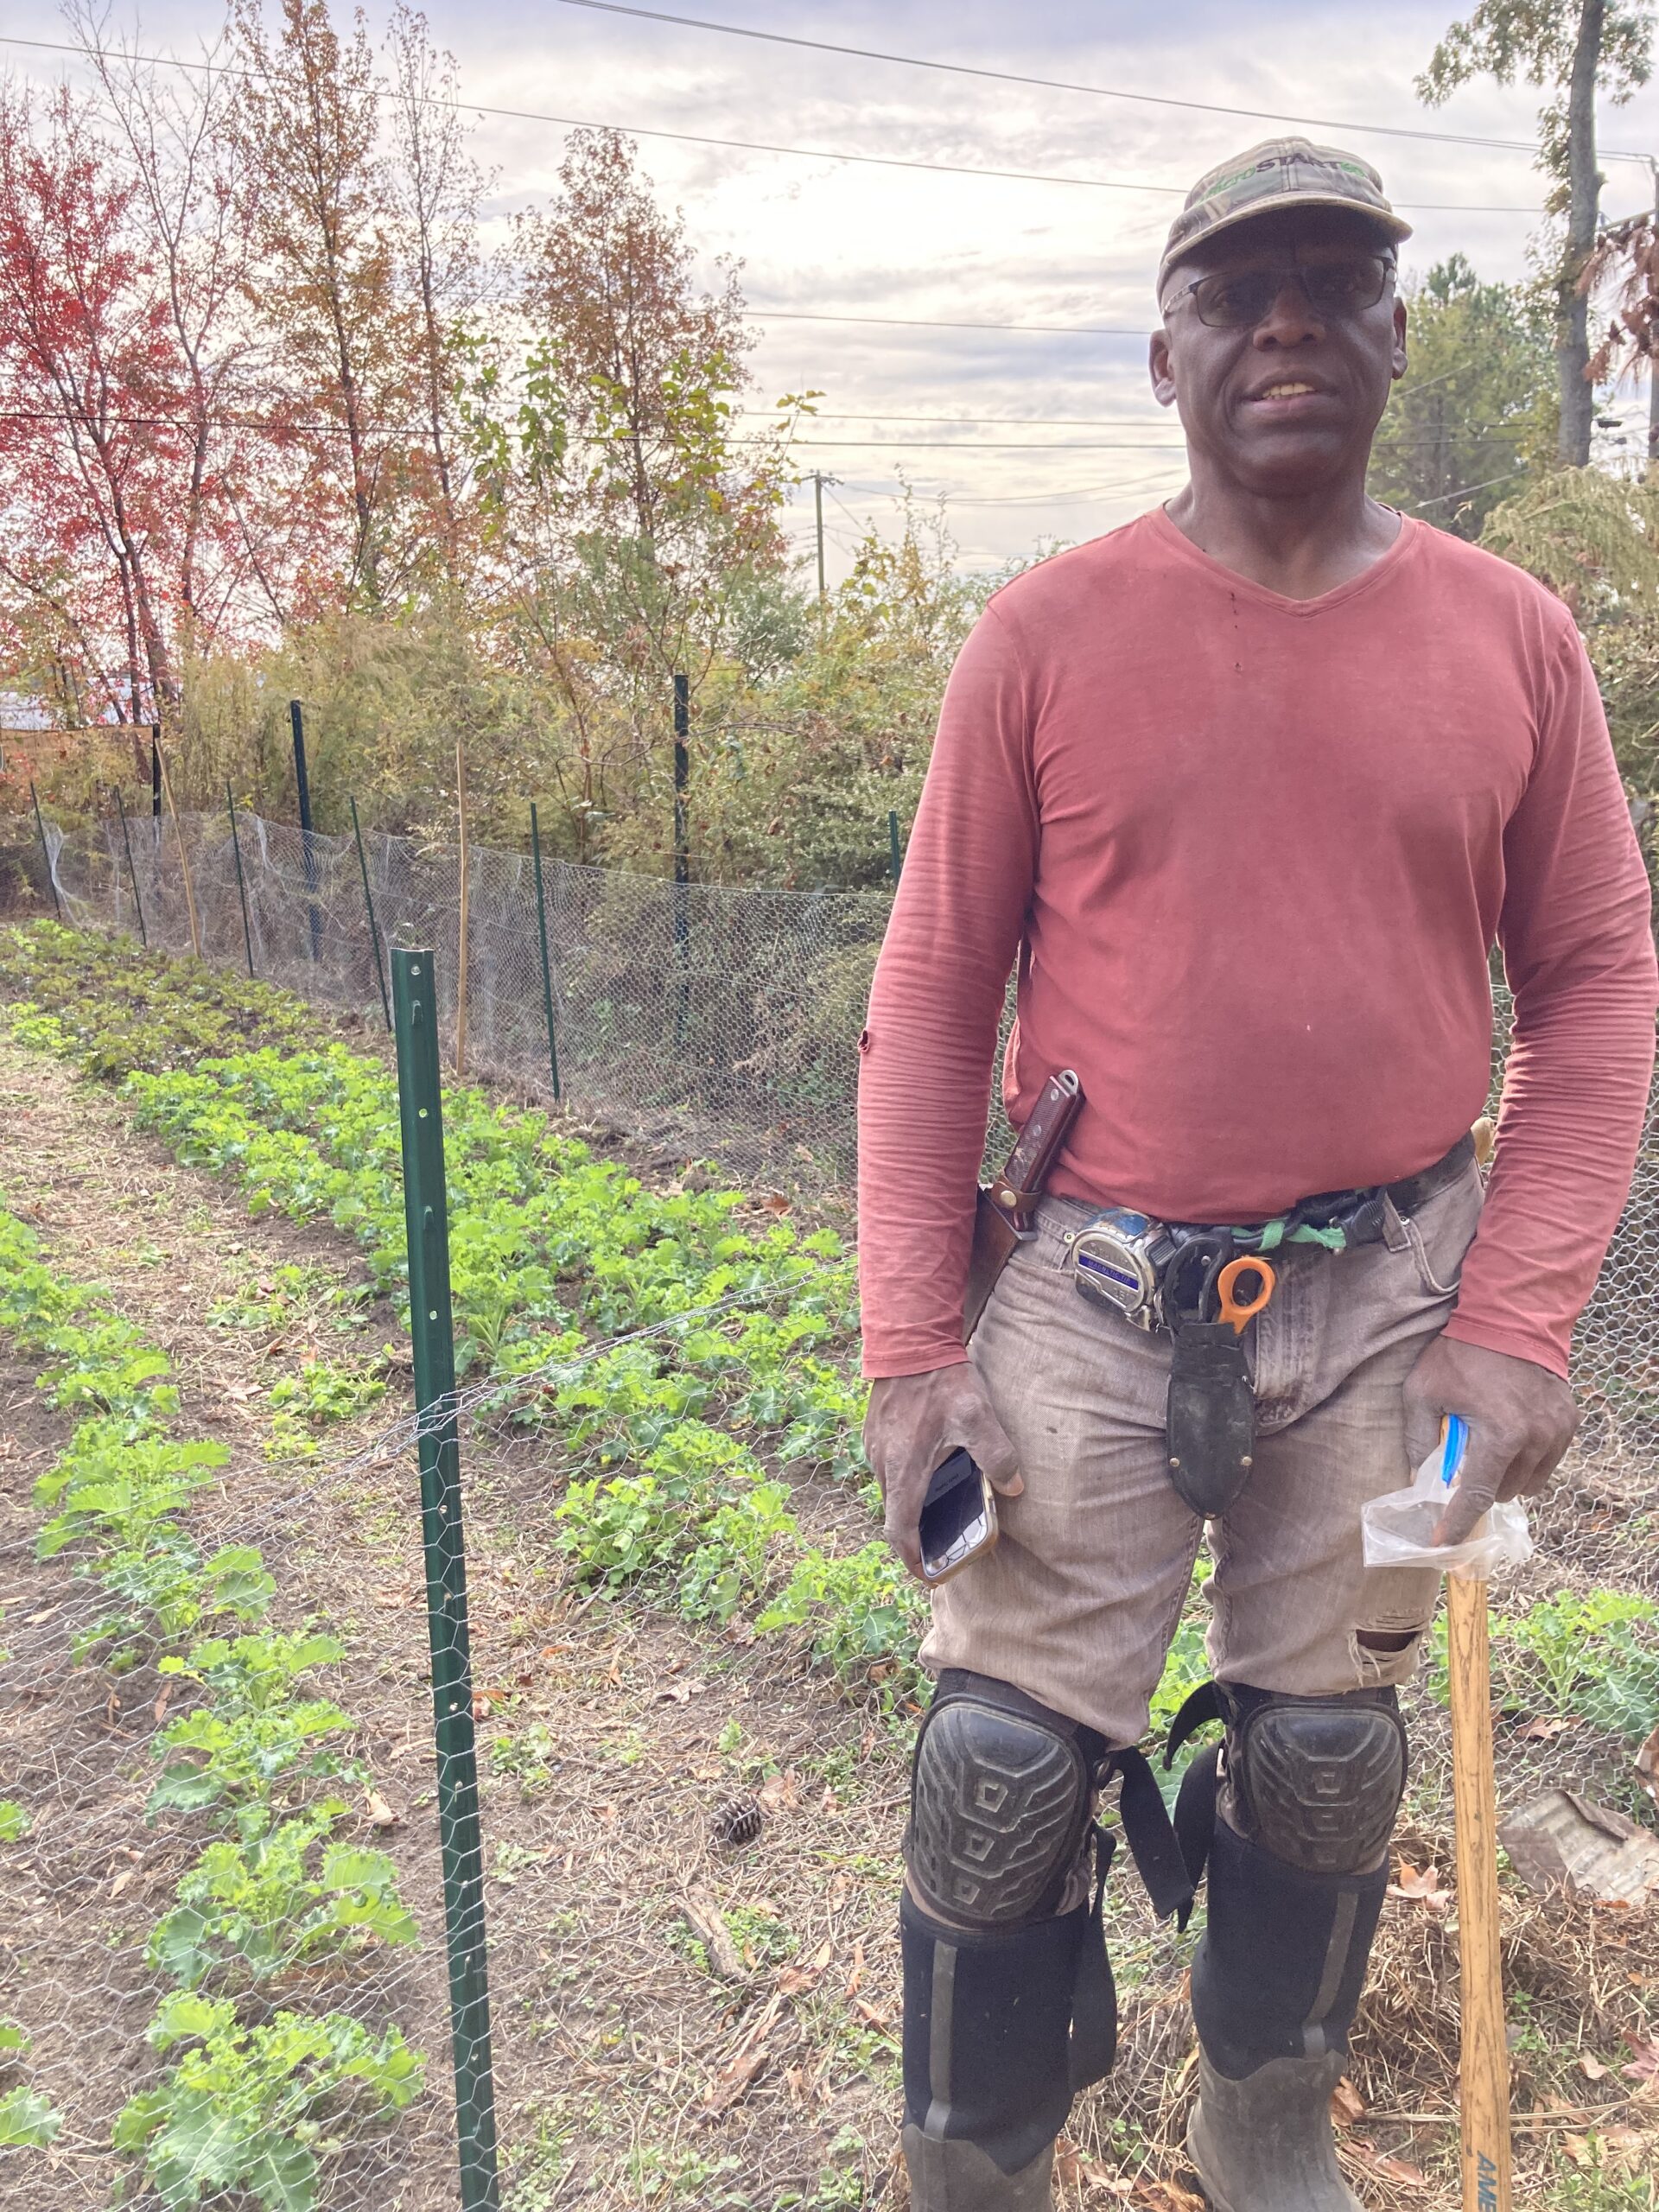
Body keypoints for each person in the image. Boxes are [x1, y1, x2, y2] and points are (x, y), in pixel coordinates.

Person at [857, 137, 1658, 2212]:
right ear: (1163, 351)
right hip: (1092, 1293)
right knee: (999, 1770)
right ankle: (974, 2159)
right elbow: (937, 990)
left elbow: (1594, 981)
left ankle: (1266, 2117)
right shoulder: (1042, 636)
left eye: (1334, 278)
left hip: (1397, 1298)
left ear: (1399, 330)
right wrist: (910, 1348)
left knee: (1321, 1761)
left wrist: (1522, 1319)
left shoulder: (1517, 642)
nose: (1286, 318)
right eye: (1237, 288)